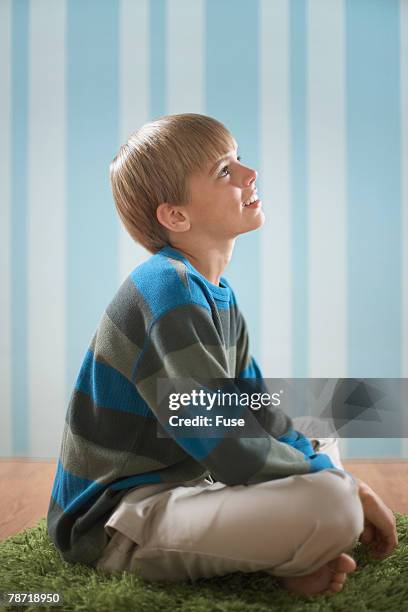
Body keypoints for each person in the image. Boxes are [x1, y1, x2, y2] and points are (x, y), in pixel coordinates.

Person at [47, 114, 397, 596]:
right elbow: (227, 444)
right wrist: (345, 484)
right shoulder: (169, 291)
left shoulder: (214, 293)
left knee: (318, 426)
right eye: (223, 171)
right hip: (115, 520)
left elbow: (260, 412)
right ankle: (291, 543)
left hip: (188, 482)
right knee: (334, 501)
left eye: (238, 159)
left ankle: (285, 545)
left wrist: (323, 465)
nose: (249, 174)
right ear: (176, 216)